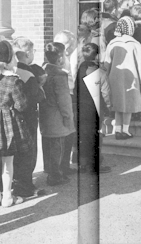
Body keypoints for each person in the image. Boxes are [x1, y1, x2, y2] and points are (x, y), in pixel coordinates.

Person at [0, 41, 27, 207]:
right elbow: (20, 105)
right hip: (8, 123)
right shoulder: (13, 80)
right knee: (8, 163)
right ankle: (7, 196)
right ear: (9, 59)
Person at [11, 37, 46, 197]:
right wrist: (40, 85)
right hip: (28, 117)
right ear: (27, 53)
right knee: (28, 151)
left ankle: (14, 182)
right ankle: (26, 186)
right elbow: (37, 96)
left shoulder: (12, 70)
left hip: (12, 117)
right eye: (32, 51)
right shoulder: (29, 74)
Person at [104, 16, 141, 139]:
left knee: (117, 105)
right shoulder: (135, 44)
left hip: (114, 79)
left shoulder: (112, 44)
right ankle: (125, 130)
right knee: (128, 106)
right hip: (132, 80)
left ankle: (117, 130)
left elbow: (106, 64)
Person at [40, 42, 76, 186]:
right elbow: (64, 100)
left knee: (48, 145)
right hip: (58, 116)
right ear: (60, 57)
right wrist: (68, 117)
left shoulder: (44, 70)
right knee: (58, 146)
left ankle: (53, 170)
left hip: (45, 115)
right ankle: (56, 175)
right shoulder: (60, 75)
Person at [75, 43, 112, 174]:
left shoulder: (79, 69)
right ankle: (95, 164)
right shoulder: (100, 72)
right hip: (95, 108)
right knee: (96, 137)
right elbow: (106, 93)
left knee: (83, 136)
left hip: (80, 108)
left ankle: (83, 163)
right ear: (97, 55)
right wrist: (108, 109)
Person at [53, 30, 78, 175]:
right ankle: (62, 166)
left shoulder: (67, 57)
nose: (67, 48)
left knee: (67, 132)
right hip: (67, 95)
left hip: (69, 94)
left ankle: (62, 165)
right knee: (67, 131)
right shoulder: (63, 60)